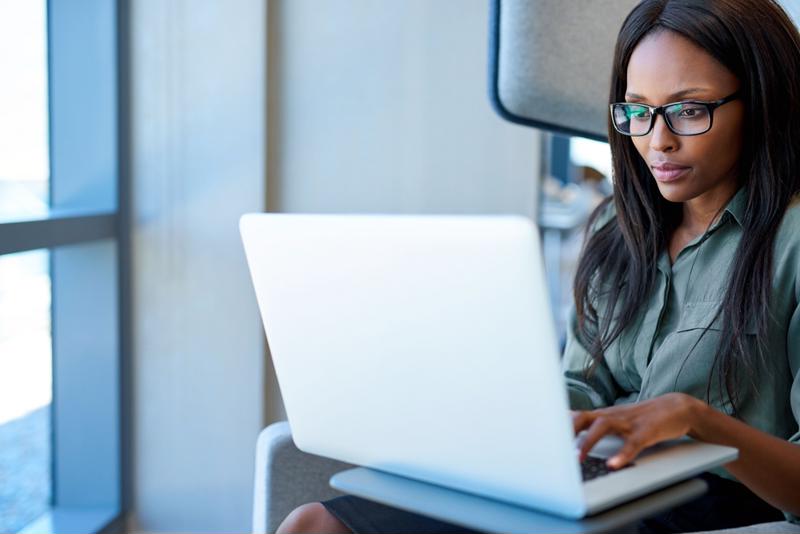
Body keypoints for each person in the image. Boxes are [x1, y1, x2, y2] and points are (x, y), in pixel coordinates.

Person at [276, 0, 800, 532]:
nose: (657, 140)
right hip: (603, 479)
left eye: (689, 110)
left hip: (716, 505)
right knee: (313, 525)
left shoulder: (793, 240)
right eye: (638, 111)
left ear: (761, 101)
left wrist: (698, 421)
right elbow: (580, 387)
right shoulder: (618, 230)